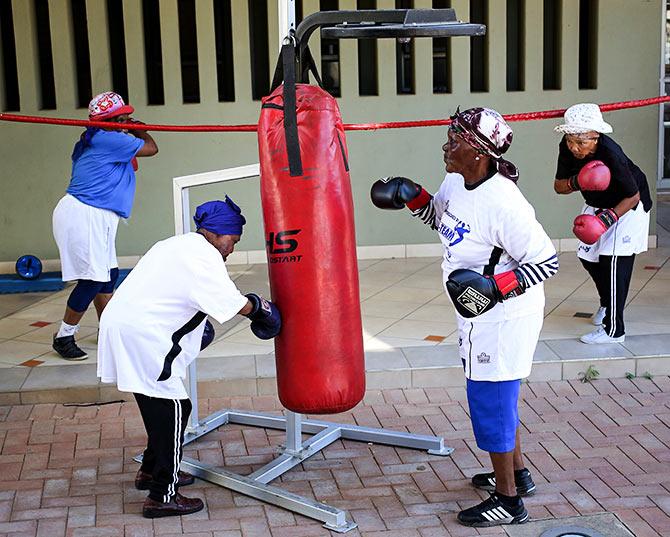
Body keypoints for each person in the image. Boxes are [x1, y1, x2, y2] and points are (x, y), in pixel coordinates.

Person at [370, 107, 558, 527]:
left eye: (455, 140)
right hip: (475, 311)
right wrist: (414, 196)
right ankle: (518, 475)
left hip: (504, 317)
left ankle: (508, 502)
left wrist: (495, 288)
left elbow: (547, 260)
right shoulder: (457, 181)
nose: (447, 145)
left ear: (480, 151)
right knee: (501, 398)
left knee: (490, 401)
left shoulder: (505, 203)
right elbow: (444, 221)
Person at [97, 197, 281, 519]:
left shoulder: (176, 244)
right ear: (217, 232)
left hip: (124, 326)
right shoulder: (204, 256)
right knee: (176, 407)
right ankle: (162, 496)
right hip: (143, 336)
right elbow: (231, 302)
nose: (232, 249)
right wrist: (260, 309)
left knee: (156, 400)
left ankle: (152, 471)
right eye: (233, 240)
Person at [52, 91, 159, 360]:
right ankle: (64, 336)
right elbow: (151, 149)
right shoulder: (108, 138)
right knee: (92, 280)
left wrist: (130, 129)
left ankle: (107, 329)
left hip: (97, 215)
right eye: (122, 116)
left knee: (108, 275)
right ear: (111, 119)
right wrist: (140, 130)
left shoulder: (99, 137)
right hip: (84, 214)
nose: (126, 119)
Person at [553, 103, 652, 344]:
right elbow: (559, 186)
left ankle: (614, 331)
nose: (574, 148)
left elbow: (633, 195)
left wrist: (606, 220)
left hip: (627, 206)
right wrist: (578, 181)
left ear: (595, 137)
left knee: (614, 262)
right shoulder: (567, 148)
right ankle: (608, 304)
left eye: (581, 142)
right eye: (570, 140)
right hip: (596, 203)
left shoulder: (611, 154)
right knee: (588, 257)